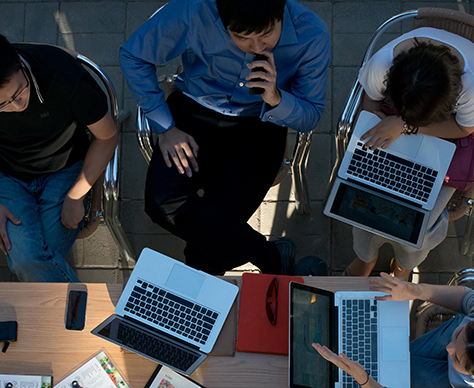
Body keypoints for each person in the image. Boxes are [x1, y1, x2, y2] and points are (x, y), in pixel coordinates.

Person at [120, 0, 330, 275]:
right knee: (161, 203)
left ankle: (245, 266)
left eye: (266, 34)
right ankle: (268, 255)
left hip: (260, 125)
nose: (257, 47)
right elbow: (133, 56)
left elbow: (311, 113)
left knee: (206, 256)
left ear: (281, 11)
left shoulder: (312, 33)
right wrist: (165, 127)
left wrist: (276, 97)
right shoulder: (194, 11)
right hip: (194, 113)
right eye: (241, 37)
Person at [0, 32, 119, 282]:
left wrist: (76, 194)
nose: (16, 106)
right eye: (0, 106)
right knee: (30, 260)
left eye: (18, 93)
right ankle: (84, 314)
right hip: (4, 172)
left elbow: (108, 136)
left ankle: (78, 314)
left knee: (30, 262)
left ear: (20, 64)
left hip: (65, 167)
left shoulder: (65, 78)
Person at [342, 27, 474, 280]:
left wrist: (406, 126)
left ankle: (404, 263)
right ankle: (366, 258)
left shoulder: (472, 91)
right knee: (363, 198)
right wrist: (377, 121)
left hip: (441, 137)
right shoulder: (381, 65)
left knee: (419, 220)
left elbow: (464, 127)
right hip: (393, 127)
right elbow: (370, 103)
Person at [314, 273, 474, 387]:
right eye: (460, 334)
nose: (448, 347)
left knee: (391, 373)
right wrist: (415, 291)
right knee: (397, 362)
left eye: (457, 358)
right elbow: (464, 297)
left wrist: (364, 380)